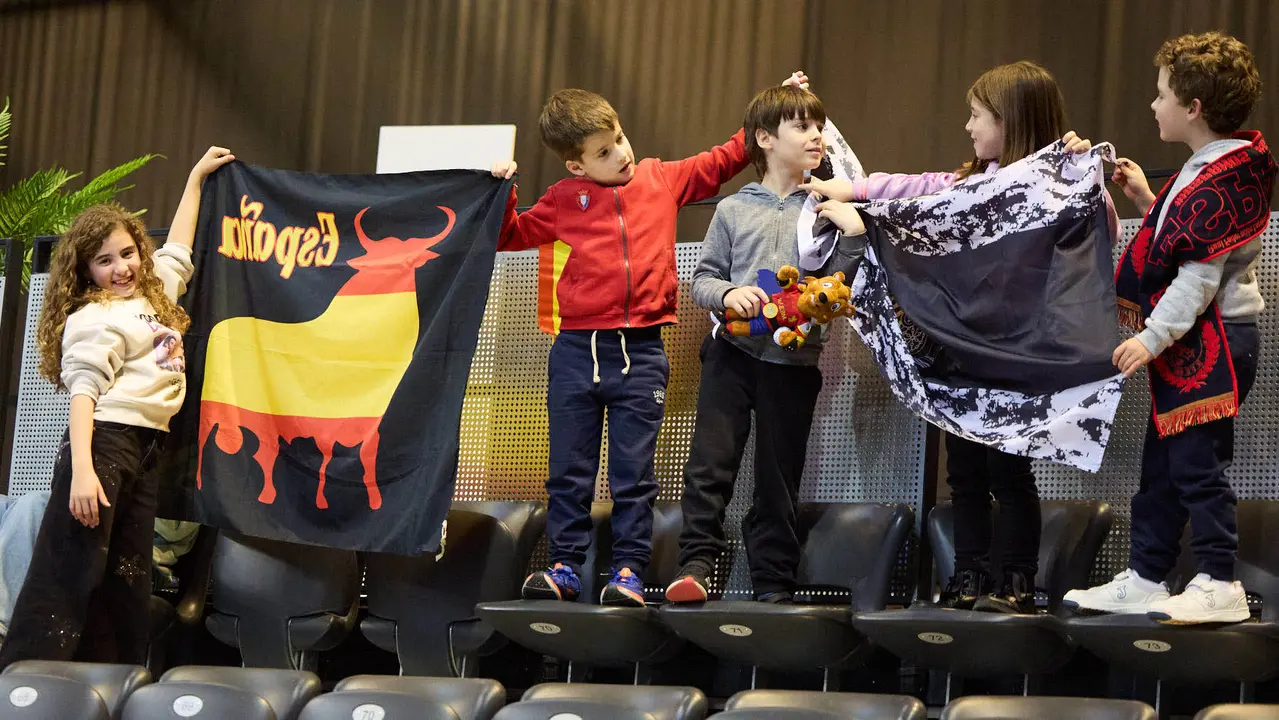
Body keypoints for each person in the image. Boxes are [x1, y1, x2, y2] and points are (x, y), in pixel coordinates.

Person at [804, 61, 1115, 614]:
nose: (968, 127)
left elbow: (1100, 226)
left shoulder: (1057, 181)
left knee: (1010, 471)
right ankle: (968, 576)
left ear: (1012, 118)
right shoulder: (966, 183)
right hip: (959, 354)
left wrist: (1081, 172)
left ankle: (1016, 580)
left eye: (978, 116)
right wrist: (848, 187)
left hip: (1018, 358)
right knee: (965, 472)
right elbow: (910, 189)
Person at [491, 73, 809, 606]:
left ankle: (628, 573)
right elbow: (508, 235)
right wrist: (503, 191)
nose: (621, 153)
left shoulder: (660, 179)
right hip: (575, 352)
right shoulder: (563, 199)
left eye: (619, 138)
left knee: (632, 476)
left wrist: (768, 111)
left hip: (640, 353)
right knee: (570, 471)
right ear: (576, 165)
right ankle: (566, 566)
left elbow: (724, 158)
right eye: (603, 151)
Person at [1064, 32, 1275, 624]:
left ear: (1194, 107)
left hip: (1211, 340)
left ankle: (1219, 580)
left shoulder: (1224, 176)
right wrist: (1145, 198)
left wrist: (1149, 338)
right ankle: (1149, 575)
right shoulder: (1208, 166)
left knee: (1193, 464)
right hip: (1193, 337)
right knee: (1163, 463)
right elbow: (1190, 247)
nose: (1153, 106)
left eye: (1161, 95)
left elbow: (1198, 280)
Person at [0, 146, 234, 667]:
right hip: (104, 445)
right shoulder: (95, 316)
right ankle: (27, 682)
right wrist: (83, 470)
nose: (121, 267)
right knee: (69, 574)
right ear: (86, 271)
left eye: (127, 253)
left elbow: (176, 248)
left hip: (145, 451)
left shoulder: (153, 301)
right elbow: (83, 394)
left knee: (127, 576)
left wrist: (195, 177)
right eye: (104, 261)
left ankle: (113, 680)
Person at [666, 84, 863, 604]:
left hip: (793, 362)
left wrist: (856, 237)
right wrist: (731, 294)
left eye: (819, 126)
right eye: (801, 126)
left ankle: (773, 581)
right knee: (710, 464)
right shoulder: (733, 209)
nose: (816, 136)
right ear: (765, 139)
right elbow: (703, 278)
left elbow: (839, 288)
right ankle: (695, 566)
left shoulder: (825, 205)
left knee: (779, 474)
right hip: (731, 355)